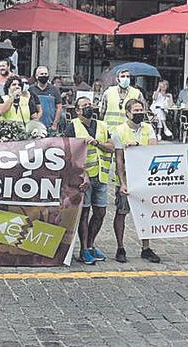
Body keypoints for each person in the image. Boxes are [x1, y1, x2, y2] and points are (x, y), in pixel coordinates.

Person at [111, 99, 160, 264]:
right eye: (136, 110)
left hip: (145, 178)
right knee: (121, 212)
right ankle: (120, 247)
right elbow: (118, 160)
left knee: (146, 214)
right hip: (127, 178)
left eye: (141, 110)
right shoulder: (119, 131)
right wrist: (122, 183)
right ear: (127, 113)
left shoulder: (148, 128)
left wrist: (137, 145)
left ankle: (146, 248)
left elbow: (154, 149)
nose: (140, 113)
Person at [68, 93, 114, 265]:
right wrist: (83, 174)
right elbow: (70, 154)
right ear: (78, 110)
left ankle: (91, 244)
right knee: (85, 213)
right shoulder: (72, 126)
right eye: (85, 105)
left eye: (90, 104)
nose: (89, 107)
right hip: (84, 178)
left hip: (101, 176)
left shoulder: (101, 125)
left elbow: (111, 147)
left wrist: (97, 144)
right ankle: (84, 249)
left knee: (100, 212)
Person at [99, 68, 144, 138]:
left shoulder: (137, 93)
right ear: (117, 79)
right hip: (110, 131)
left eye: (127, 76)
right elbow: (102, 113)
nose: (125, 78)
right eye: (123, 76)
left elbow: (141, 113)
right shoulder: (108, 92)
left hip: (129, 132)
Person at [30, 65, 62, 132]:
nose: (44, 76)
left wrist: (55, 124)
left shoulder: (54, 90)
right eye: (41, 74)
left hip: (50, 126)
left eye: (46, 74)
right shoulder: (31, 90)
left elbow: (59, 108)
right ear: (36, 76)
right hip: (36, 127)